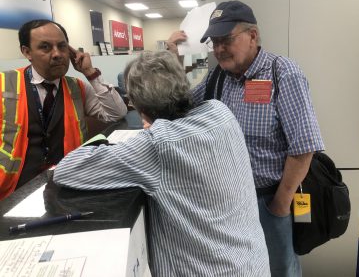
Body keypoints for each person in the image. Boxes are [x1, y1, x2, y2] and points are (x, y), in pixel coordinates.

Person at [53, 50, 271, 276]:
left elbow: (67, 170)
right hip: (254, 263)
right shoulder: (221, 112)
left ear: (139, 106)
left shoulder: (157, 145)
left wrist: (143, 130)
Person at [167, 0, 325, 277]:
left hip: (269, 200)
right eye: (214, 42)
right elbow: (180, 105)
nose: (218, 49)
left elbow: (303, 147)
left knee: (280, 269)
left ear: (252, 36)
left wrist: (279, 205)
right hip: (229, 201)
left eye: (226, 40)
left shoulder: (283, 73)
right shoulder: (220, 77)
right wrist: (174, 59)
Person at [0, 19, 127, 200]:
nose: (57, 54)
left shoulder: (78, 87)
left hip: (66, 182)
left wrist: (90, 72)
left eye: (62, 46)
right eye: (45, 47)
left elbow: (117, 113)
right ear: (27, 52)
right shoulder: (4, 84)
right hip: (12, 188)